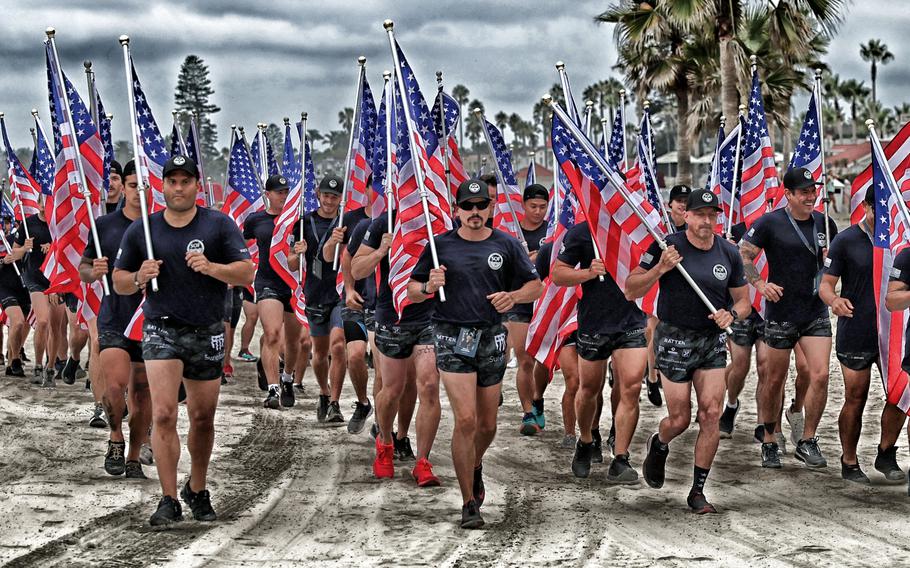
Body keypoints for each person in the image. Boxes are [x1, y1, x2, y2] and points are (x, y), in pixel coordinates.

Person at [113, 155, 254, 526]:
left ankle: (198, 488)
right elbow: (118, 281)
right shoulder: (144, 230)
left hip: (207, 331)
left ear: (196, 185)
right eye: (172, 181)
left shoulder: (218, 225)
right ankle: (168, 497)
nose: (178, 188)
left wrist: (212, 268)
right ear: (162, 186)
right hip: (161, 328)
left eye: (185, 181)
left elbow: (246, 272)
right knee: (162, 413)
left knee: (202, 417)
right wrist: (139, 277)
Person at [408, 178, 542, 529]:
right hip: (451, 336)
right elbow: (411, 289)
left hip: (492, 338)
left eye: (481, 205)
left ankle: (475, 464)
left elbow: (535, 285)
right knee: (465, 420)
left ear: (490, 208)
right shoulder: (440, 247)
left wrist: (512, 298)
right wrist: (427, 286)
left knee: (487, 424)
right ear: (456, 211)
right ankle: (469, 503)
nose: (474, 212)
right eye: (467, 207)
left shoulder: (507, 245)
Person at [627, 188, 751, 514]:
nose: (707, 221)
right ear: (686, 216)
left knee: (711, 414)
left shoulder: (728, 252)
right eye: (700, 215)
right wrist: (660, 270)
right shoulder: (666, 246)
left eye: (713, 215)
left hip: (711, 341)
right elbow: (631, 288)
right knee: (680, 419)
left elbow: (744, 301)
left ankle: (697, 492)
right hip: (674, 339)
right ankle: (660, 442)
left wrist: (732, 314)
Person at [740, 167, 838, 469]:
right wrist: (759, 284)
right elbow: (743, 256)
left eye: (814, 191)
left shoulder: (825, 223)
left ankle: (807, 439)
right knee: (773, 379)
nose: (812, 196)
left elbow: (837, 264)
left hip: (815, 312)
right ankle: (769, 440)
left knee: (819, 374)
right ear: (789, 194)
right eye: (805, 192)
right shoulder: (770, 223)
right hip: (781, 313)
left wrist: (830, 264)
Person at [552, 219, 648, 483]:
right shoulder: (583, 232)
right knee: (588, 389)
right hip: (594, 323)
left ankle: (620, 457)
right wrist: (587, 273)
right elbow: (558, 274)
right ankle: (585, 441)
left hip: (631, 322)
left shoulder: (637, 228)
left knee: (631, 388)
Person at [353, 207, 440, 485]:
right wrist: (381, 251)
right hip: (392, 317)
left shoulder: (436, 217)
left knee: (428, 385)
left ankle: (422, 462)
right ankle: (386, 443)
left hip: (430, 318)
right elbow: (357, 267)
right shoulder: (384, 222)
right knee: (392, 389)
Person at [829, 188, 907, 483]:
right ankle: (849, 460)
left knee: (900, 395)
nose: (882, 218)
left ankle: (886, 453)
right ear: (866, 207)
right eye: (877, 211)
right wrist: (833, 300)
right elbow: (827, 283)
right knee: (856, 396)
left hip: (895, 331)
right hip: (856, 330)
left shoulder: (902, 238)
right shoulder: (846, 240)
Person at [79, 159, 150, 479]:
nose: (138, 192)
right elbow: (83, 268)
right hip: (113, 316)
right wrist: (93, 272)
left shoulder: (159, 226)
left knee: (141, 392)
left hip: (150, 320)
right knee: (115, 384)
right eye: (133, 185)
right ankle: (115, 437)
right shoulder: (104, 226)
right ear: (123, 186)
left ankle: (135, 455)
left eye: (144, 186)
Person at [243, 174, 305, 410]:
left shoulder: (298, 221)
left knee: (293, 341)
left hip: (292, 283)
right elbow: (243, 243)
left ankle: (288, 377)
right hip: (267, 282)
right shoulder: (256, 220)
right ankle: (272, 389)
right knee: (271, 334)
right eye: (279, 192)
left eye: (286, 192)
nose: (283, 196)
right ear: (267, 195)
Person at [323, 196, 373, 434]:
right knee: (352, 355)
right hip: (355, 302)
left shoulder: (402, 217)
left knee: (386, 372)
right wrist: (350, 289)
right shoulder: (353, 220)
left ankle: (387, 429)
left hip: (386, 305)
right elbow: (336, 256)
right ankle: (363, 403)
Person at [301, 174, 348, 424]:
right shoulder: (304, 222)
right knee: (319, 353)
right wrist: (295, 253)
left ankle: (335, 403)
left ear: (341, 198)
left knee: (338, 345)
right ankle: (323, 391)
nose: (330, 200)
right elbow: (289, 261)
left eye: (335, 196)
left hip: (339, 292)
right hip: (315, 292)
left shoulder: (345, 222)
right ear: (318, 194)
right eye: (326, 195)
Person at [504, 183, 549, 435]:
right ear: (523, 205)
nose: (538, 211)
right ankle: (528, 411)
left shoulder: (552, 232)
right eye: (533, 206)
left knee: (542, 361)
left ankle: (538, 398)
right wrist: (524, 261)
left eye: (543, 207)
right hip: (520, 302)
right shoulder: (513, 234)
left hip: (545, 302)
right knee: (524, 359)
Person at [11, 197, 66, 389]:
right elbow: (13, 255)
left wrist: (53, 249)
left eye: (49, 202)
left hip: (56, 279)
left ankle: (51, 367)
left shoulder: (59, 224)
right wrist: (24, 249)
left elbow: (68, 249)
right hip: (34, 278)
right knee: (42, 321)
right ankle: (37, 365)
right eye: (42, 202)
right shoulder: (28, 224)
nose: (44, 206)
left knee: (56, 326)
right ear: (37, 203)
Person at [534, 239, 579, 450]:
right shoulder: (549, 250)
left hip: (593, 320)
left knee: (591, 385)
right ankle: (570, 432)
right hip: (561, 320)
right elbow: (539, 282)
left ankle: (593, 433)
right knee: (574, 379)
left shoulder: (604, 243)